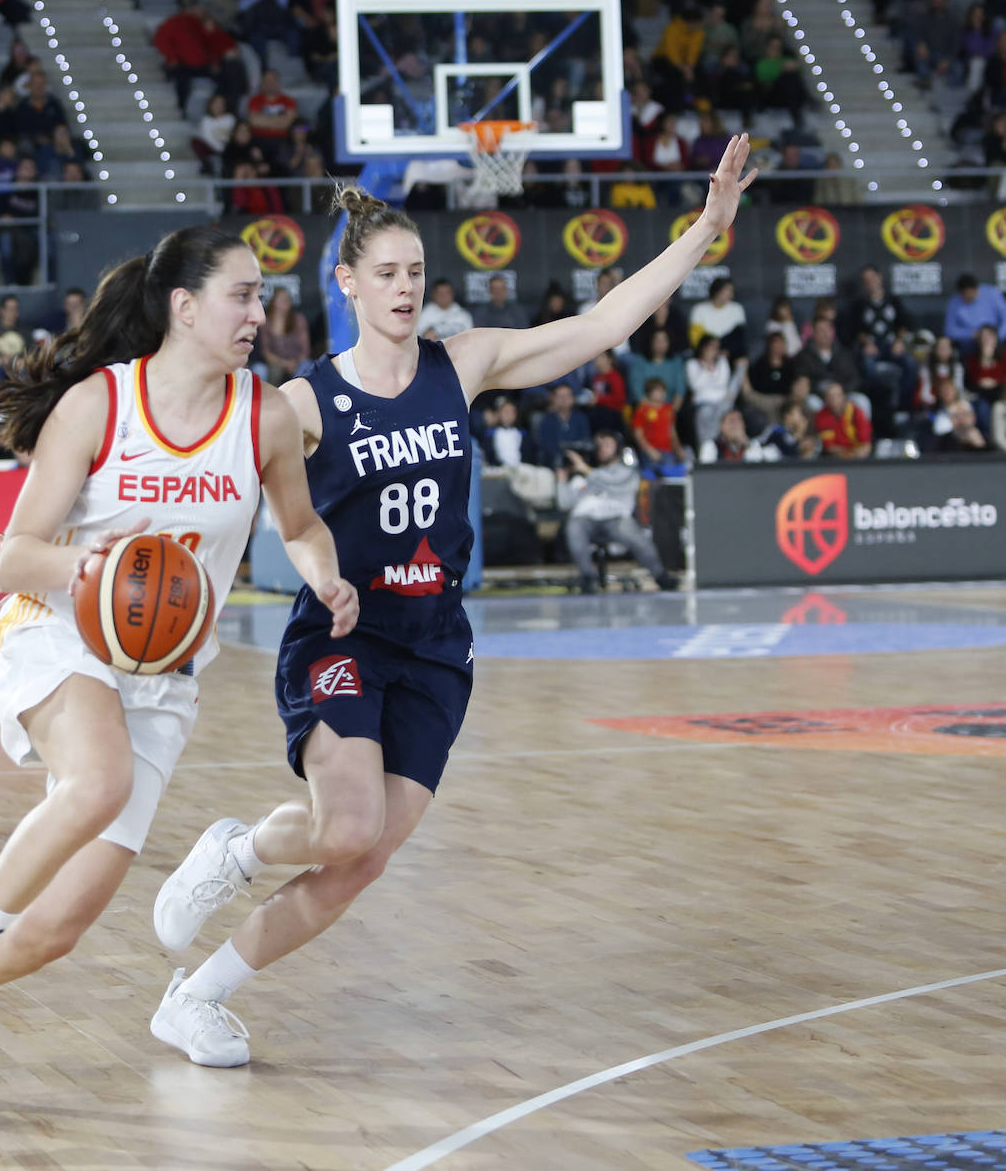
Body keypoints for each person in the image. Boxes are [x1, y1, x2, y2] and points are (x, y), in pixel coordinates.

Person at [148, 136, 755, 1066]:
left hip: (437, 645)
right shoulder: (302, 404)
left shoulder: (460, 364)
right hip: (344, 634)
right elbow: (202, 485)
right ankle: (235, 851)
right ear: (345, 282)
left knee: (366, 857)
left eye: (417, 272)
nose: (405, 288)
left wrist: (705, 230)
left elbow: (602, 327)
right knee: (344, 825)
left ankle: (197, 997)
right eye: (385, 273)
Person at [0, 226, 359, 1100]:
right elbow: (14, 554)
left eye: (261, 294)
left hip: (165, 673)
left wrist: (328, 576)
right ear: (183, 307)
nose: (258, 311)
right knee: (99, 782)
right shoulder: (98, 405)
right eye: (241, 294)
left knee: (56, 931)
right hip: (60, 630)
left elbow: (300, 526)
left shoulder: (264, 414)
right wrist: (98, 569)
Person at [562, 431, 679, 592]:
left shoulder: (626, 471)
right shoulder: (583, 474)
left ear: (618, 448)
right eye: (599, 445)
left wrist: (587, 470)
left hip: (616, 518)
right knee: (573, 526)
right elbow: (565, 503)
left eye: (607, 444)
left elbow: (613, 481)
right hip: (586, 519)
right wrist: (561, 481)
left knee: (634, 534)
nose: (602, 449)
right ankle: (588, 578)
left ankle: (660, 576)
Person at [257, 286, 310, 386]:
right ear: (274, 302)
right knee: (270, 371)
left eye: (287, 299)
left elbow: (305, 349)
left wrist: (295, 362)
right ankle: (272, 397)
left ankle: (299, 395)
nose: (285, 301)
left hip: (297, 361)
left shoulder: (298, 319)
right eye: (281, 299)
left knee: (306, 366)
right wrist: (284, 363)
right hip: (275, 362)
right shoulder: (266, 322)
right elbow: (266, 351)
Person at [944, 272, 1006, 355]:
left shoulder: (992, 293)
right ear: (961, 293)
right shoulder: (954, 302)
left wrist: (996, 337)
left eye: (972, 294)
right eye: (966, 296)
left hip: (995, 340)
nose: (969, 297)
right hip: (970, 343)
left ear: (977, 288)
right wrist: (971, 334)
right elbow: (949, 330)